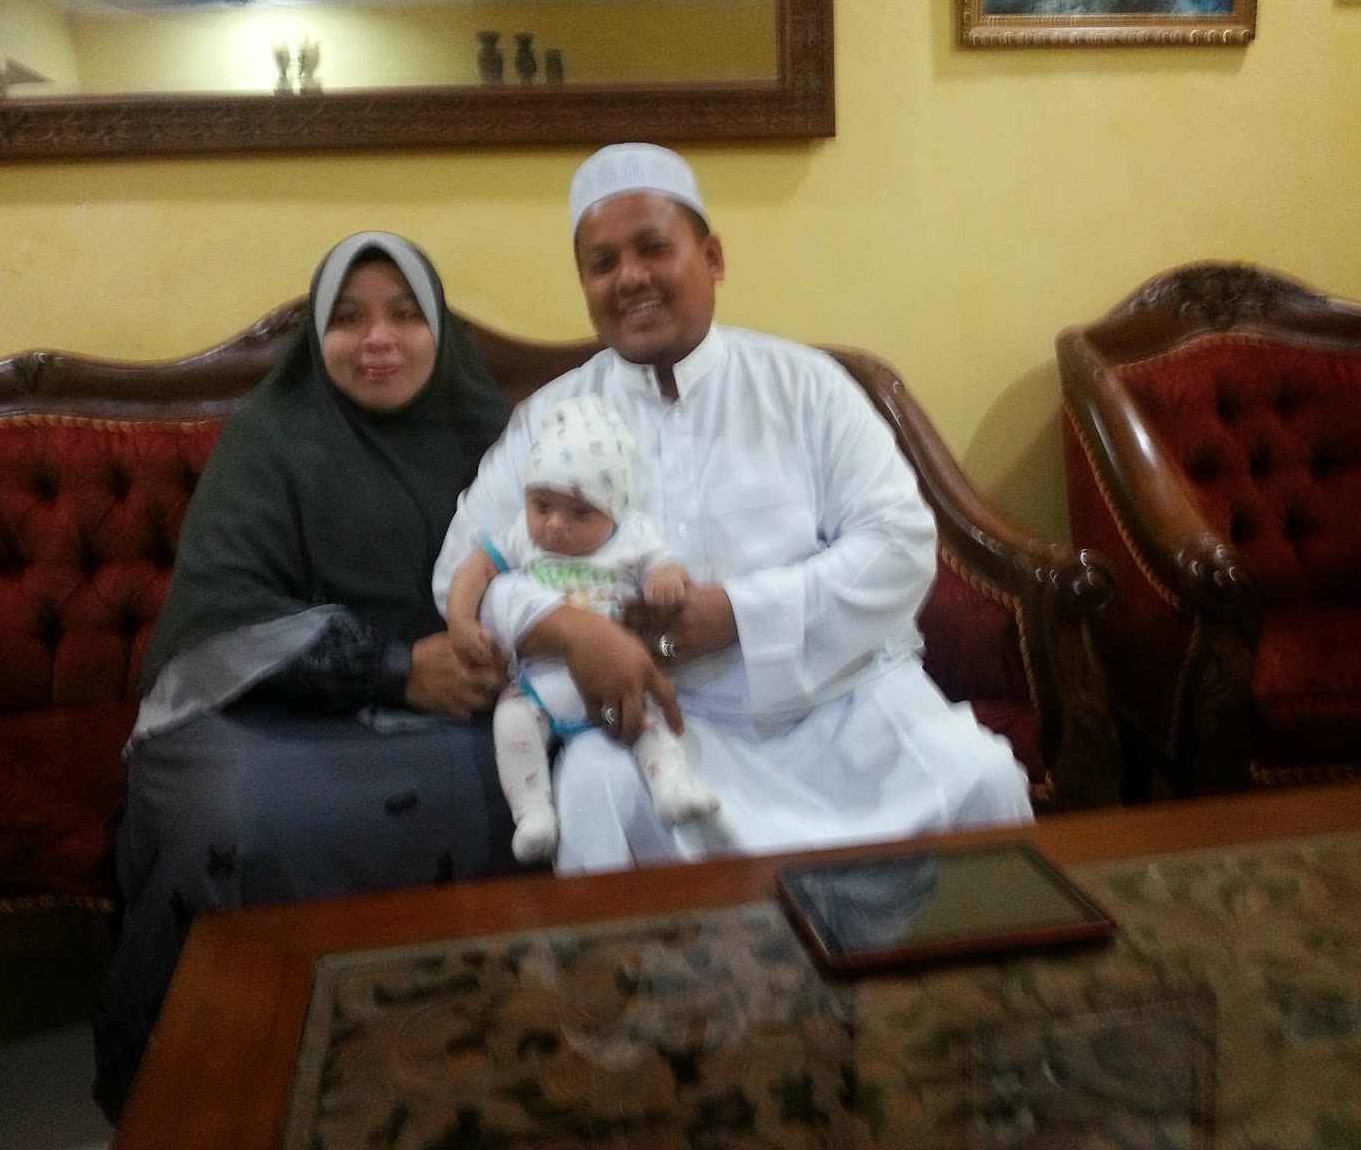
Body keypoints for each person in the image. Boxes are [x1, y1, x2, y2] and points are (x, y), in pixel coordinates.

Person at [433, 143, 1033, 875]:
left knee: (982, 778)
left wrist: (738, 614)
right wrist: (574, 633)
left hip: (844, 703)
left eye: (654, 248)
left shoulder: (807, 386)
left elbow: (899, 546)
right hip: (662, 724)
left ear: (712, 257)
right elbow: (462, 573)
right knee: (593, 793)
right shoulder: (551, 418)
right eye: (602, 263)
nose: (630, 277)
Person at [91, 232, 516, 1122]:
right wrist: (395, 669)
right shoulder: (271, 435)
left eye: (405, 315)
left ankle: (499, 1051)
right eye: (348, 319)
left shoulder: (498, 434)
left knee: (554, 777)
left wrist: (497, 645)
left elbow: (564, 559)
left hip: (470, 696)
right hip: (271, 701)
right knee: (243, 823)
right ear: (317, 338)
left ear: (439, 329)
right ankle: (233, 1087)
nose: (378, 339)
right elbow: (224, 611)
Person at [445, 393, 720, 863]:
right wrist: (460, 620)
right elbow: (474, 568)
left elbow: (664, 566)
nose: (555, 525)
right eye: (541, 505)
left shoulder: (631, 536)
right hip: (538, 682)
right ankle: (533, 812)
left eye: (579, 512)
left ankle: (673, 787)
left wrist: (664, 580)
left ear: (613, 510)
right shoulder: (521, 537)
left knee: (651, 722)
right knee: (510, 726)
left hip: (620, 681)